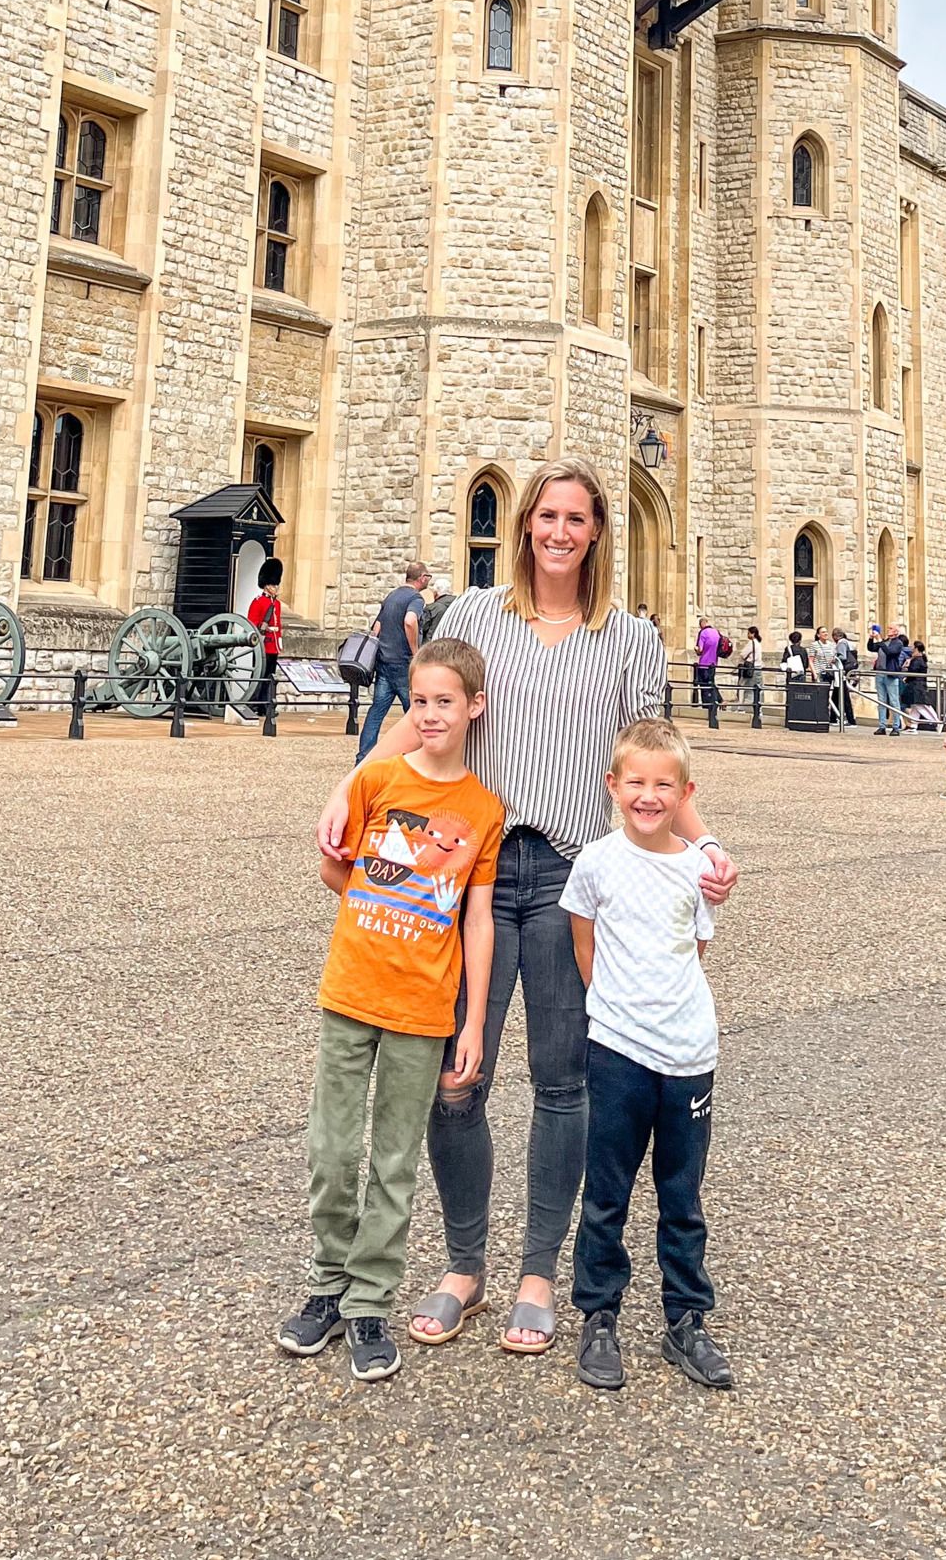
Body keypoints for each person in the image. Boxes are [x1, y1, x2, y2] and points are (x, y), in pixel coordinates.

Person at [315, 458, 735, 1362]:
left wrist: (703, 845)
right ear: (524, 526)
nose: (559, 530)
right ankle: (465, 1262)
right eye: (546, 514)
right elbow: (417, 721)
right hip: (467, 871)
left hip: (573, 875)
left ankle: (537, 1270)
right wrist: (350, 787)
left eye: (576, 517)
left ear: (596, 534)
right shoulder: (471, 616)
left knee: (562, 1079)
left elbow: (653, 756)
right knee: (455, 1075)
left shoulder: (626, 638)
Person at [278, 639, 502, 1380]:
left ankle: (369, 1300)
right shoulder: (375, 777)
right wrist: (388, 893)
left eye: (446, 700)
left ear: (475, 707)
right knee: (332, 1150)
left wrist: (472, 1021)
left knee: (394, 1161)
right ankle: (326, 1282)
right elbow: (330, 867)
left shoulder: (482, 809)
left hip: (424, 1006)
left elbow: (476, 918)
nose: (431, 713)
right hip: (352, 988)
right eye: (421, 700)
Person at [565, 719, 734, 1392]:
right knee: (606, 1191)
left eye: (664, 784)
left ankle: (686, 1319)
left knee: (681, 1192)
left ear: (685, 791)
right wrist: (616, 1009)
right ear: (613, 786)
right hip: (617, 1049)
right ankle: (599, 1314)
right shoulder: (595, 862)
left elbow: (695, 948)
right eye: (636, 781)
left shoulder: (697, 869)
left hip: (689, 1050)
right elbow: (586, 948)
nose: (648, 794)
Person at [357, 560, 430, 761]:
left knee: (376, 712)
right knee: (415, 712)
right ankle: (418, 757)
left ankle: (363, 757)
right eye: (428, 577)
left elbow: (377, 628)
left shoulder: (391, 596)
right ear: (422, 578)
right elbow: (410, 621)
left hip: (384, 662)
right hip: (404, 664)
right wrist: (415, 652)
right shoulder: (416, 598)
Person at [247, 555, 287, 724]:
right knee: (259, 673)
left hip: (273, 644)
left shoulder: (276, 604)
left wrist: (279, 640)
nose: (275, 587)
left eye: (276, 584)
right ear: (266, 585)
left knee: (270, 675)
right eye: (273, 584)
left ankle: (266, 704)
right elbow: (251, 622)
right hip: (263, 644)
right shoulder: (258, 602)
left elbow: (279, 624)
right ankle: (254, 702)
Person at [876, 628, 907, 736]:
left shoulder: (898, 643)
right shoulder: (884, 642)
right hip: (880, 673)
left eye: (890, 628)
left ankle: (896, 726)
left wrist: (880, 641)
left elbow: (890, 652)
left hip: (890, 674)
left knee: (894, 701)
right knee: (881, 701)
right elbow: (872, 648)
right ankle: (882, 726)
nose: (888, 630)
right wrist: (871, 639)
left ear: (896, 632)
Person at [692, 617, 724, 714]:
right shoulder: (716, 632)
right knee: (711, 683)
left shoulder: (703, 633)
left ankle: (707, 707)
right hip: (713, 663)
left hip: (704, 663)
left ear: (701, 624)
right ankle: (717, 701)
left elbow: (700, 650)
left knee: (705, 686)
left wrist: (696, 649)